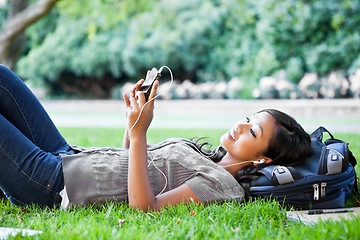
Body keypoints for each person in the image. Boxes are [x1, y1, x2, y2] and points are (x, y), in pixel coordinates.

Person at [0, 65, 312, 212]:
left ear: (262, 159)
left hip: (54, 183)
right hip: (66, 155)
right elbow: (131, 169)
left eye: (253, 131)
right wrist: (132, 124)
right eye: (247, 120)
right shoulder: (208, 157)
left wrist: (139, 136)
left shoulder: (222, 185)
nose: (241, 126)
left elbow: (144, 205)